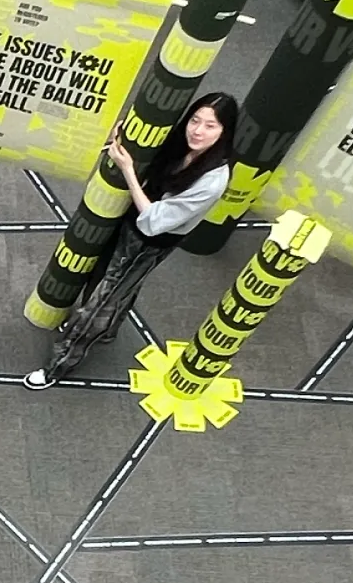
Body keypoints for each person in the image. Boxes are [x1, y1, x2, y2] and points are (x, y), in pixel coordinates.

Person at [24, 93, 240, 389]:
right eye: (195, 120)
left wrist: (127, 170)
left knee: (103, 298)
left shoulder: (213, 179)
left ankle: (57, 366)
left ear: (224, 132)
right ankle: (109, 330)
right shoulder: (183, 146)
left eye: (210, 126)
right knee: (120, 284)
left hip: (149, 240)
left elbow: (155, 220)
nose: (198, 131)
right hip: (135, 226)